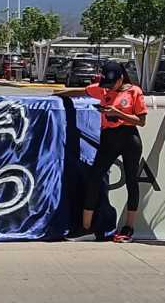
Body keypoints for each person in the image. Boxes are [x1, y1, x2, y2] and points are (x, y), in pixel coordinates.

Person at [55, 61, 147, 242]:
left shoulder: (134, 91)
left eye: (113, 84)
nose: (109, 88)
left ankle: (129, 226)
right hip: (108, 138)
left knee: (131, 180)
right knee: (94, 178)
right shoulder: (102, 89)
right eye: (106, 85)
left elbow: (141, 120)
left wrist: (117, 113)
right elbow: (80, 92)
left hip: (129, 138)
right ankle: (86, 226)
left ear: (121, 78)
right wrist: (56, 95)